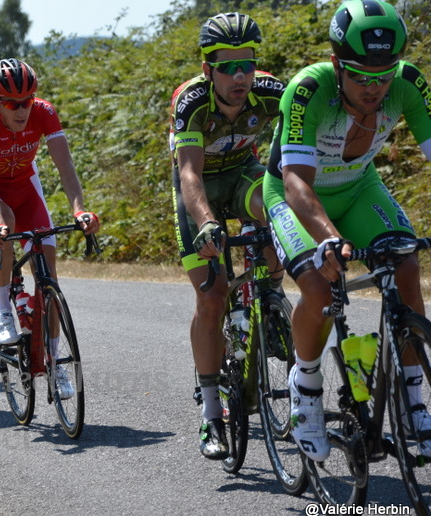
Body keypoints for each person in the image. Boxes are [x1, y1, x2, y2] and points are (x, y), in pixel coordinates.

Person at [263, 0, 431, 462]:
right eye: (360, 76)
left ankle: (413, 400)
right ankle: (306, 387)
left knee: (408, 266)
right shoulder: (307, 90)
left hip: (359, 189)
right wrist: (327, 237)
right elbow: (296, 179)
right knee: (319, 287)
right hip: (294, 194)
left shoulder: (408, 83)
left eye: (384, 75)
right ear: (337, 63)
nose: (374, 88)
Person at [169, 12, 285, 460]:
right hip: (198, 190)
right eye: (228, 67)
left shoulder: (272, 91)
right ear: (207, 70)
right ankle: (212, 414)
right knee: (213, 296)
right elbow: (189, 174)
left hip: (242, 176)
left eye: (248, 65)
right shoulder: (192, 102)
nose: (241, 76)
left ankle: (271, 298)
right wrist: (206, 223)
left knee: (277, 212)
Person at [0, 58, 99, 399]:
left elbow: (65, 165)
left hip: (26, 187)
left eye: (27, 101)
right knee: (5, 222)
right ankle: (3, 310)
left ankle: (54, 362)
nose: (21, 110)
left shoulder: (44, 113)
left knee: (48, 276)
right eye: (12, 104)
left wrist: (80, 209)